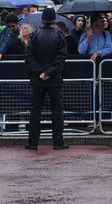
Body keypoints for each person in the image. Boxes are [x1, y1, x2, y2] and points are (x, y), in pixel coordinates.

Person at [23, 8, 68, 150]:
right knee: (57, 110)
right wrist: (49, 72)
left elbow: (29, 56)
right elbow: (61, 57)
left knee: (35, 110)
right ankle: (58, 142)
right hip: (54, 79)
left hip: (37, 79)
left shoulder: (34, 35)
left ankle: (32, 142)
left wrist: (40, 72)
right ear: (54, 21)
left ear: (41, 21)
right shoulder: (59, 36)